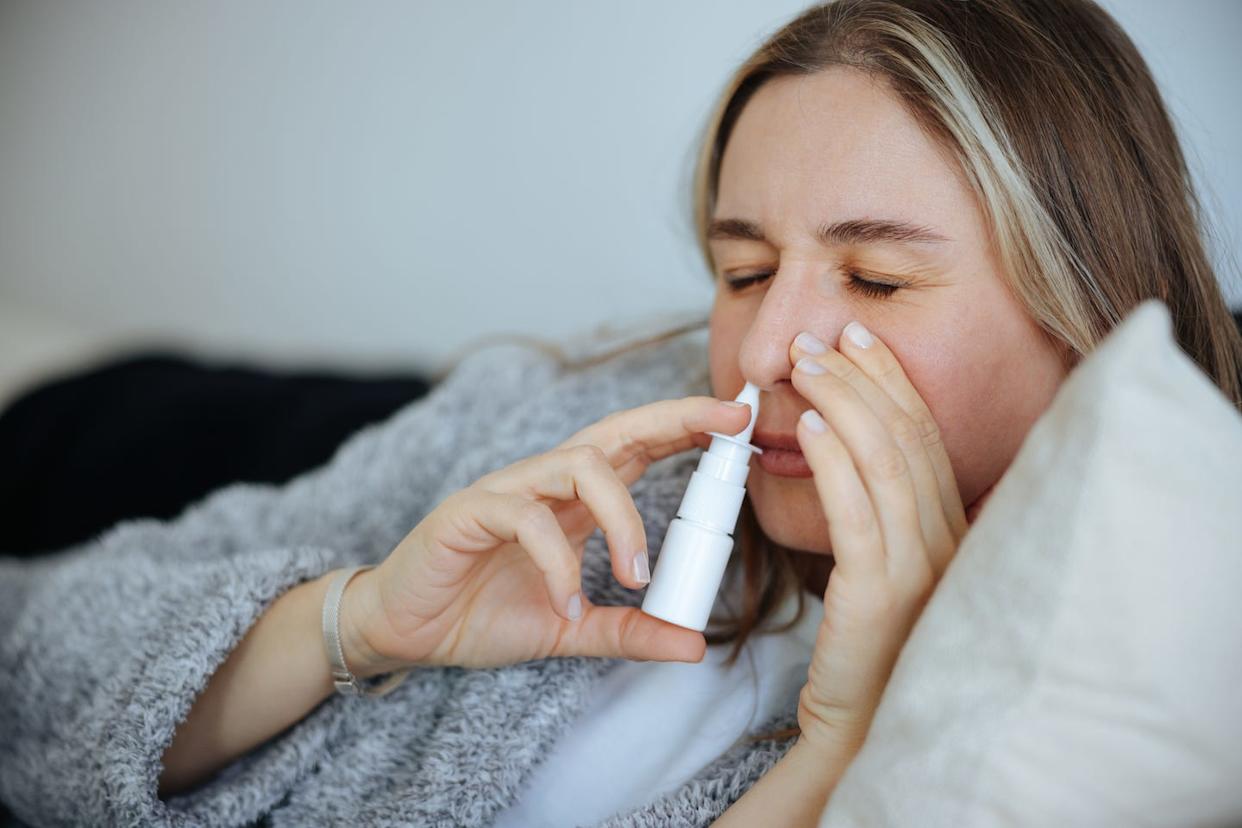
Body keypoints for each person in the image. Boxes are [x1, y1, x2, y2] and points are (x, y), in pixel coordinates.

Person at [3, 0, 1241, 825]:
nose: (759, 349)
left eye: (874, 280)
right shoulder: (576, 417)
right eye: (742, 271)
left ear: (1092, 315)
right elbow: (30, 654)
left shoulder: (1110, 661)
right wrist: (363, 618)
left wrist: (843, 744)